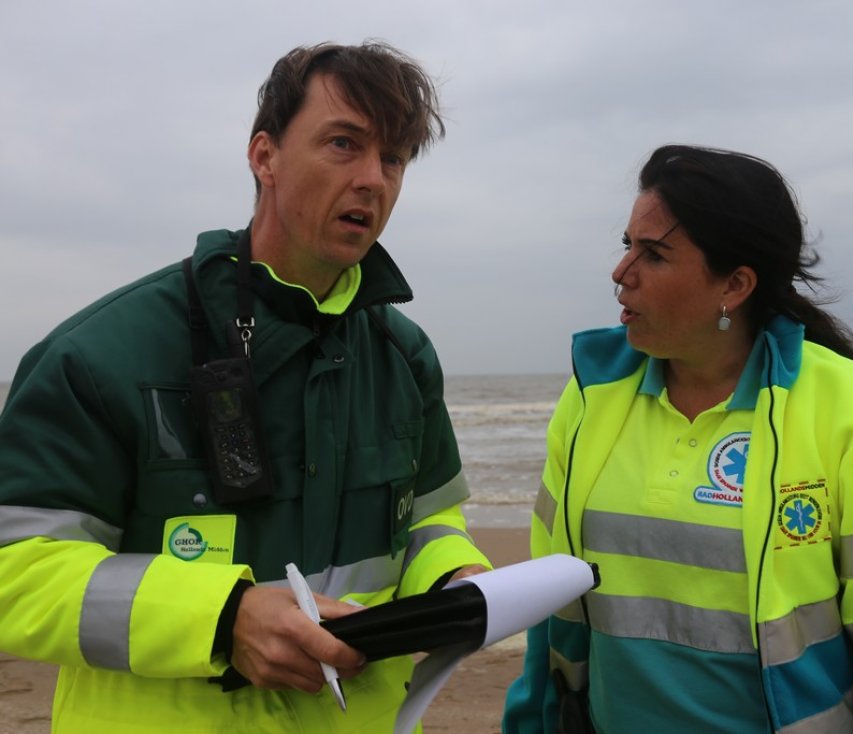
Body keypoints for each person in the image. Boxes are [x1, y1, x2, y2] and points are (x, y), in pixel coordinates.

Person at [0, 42, 490, 733]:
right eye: (344, 144)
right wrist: (223, 619)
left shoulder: (402, 355)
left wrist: (454, 582)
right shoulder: (101, 354)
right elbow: (13, 572)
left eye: (394, 158)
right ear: (265, 156)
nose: (373, 180)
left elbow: (430, 524)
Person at [503, 145, 853, 733]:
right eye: (628, 246)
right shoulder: (591, 397)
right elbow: (550, 615)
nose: (621, 273)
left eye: (654, 254)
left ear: (735, 284)